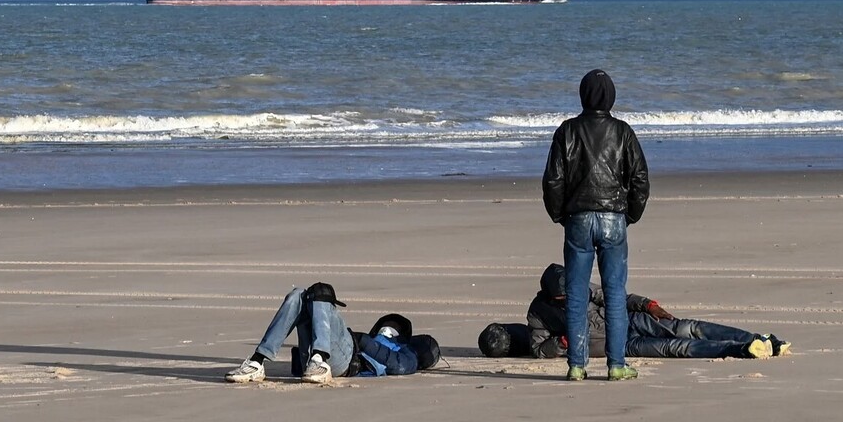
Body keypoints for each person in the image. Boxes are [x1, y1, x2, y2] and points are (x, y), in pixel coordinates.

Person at [543, 69, 650, 381]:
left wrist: (560, 215)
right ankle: (616, 364)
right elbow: (640, 179)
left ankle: (577, 365)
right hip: (613, 218)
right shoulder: (622, 132)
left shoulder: (568, 131)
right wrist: (629, 214)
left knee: (577, 294)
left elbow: (553, 181)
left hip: (578, 218)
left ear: (583, 95)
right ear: (611, 97)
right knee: (615, 293)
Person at [478, 264, 791, 361]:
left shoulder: (580, 285)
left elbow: (614, 295)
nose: (572, 297)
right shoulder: (538, 313)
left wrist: (647, 304)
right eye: (564, 297)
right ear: (552, 296)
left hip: (627, 319)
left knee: (685, 327)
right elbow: (537, 350)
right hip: (617, 344)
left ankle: (760, 338)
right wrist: (561, 345)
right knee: (675, 348)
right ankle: (743, 349)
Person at [224, 282, 440, 384]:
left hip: (347, 362)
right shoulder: (379, 338)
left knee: (322, 293)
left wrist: (363, 340)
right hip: (324, 354)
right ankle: (257, 361)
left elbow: (400, 366)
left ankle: (320, 359)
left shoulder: (407, 353)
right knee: (299, 294)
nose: (386, 330)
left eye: (393, 329)